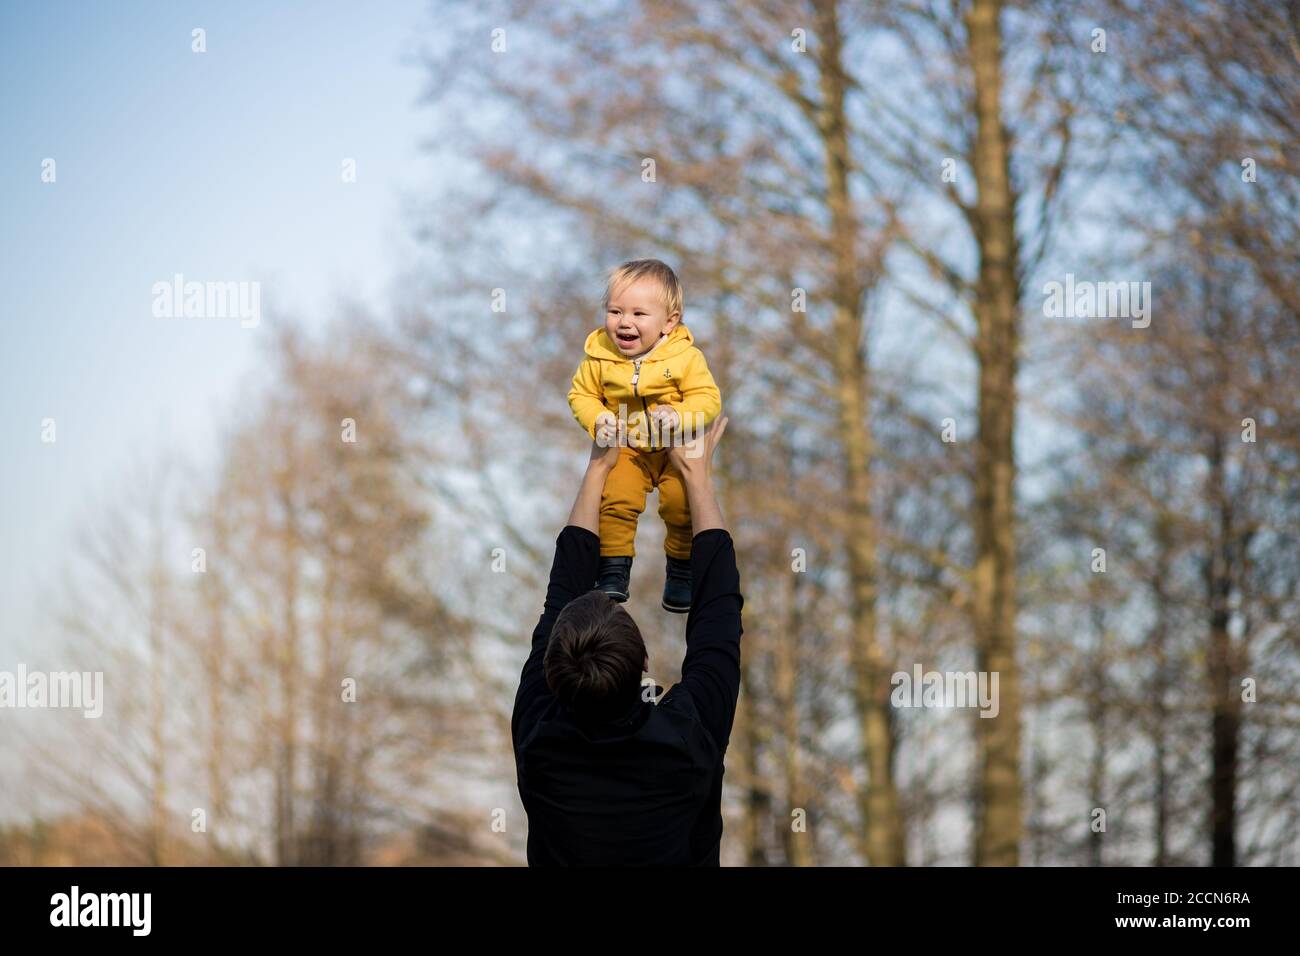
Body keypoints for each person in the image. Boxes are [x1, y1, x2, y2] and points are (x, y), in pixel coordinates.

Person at [511, 416, 742, 865]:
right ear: (644, 664)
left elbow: (720, 620)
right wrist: (696, 480)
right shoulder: (686, 741)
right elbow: (719, 623)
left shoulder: (539, 740)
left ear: (553, 672)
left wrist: (600, 469)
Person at [567, 258, 723, 611]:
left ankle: (682, 569)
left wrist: (681, 415)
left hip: (674, 448)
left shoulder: (685, 357)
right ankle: (613, 569)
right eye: (615, 311)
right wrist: (599, 420)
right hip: (627, 447)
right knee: (616, 500)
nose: (624, 322)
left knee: (680, 505)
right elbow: (581, 395)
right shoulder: (599, 359)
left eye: (639, 314)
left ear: (669, 321)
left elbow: (708, 398)